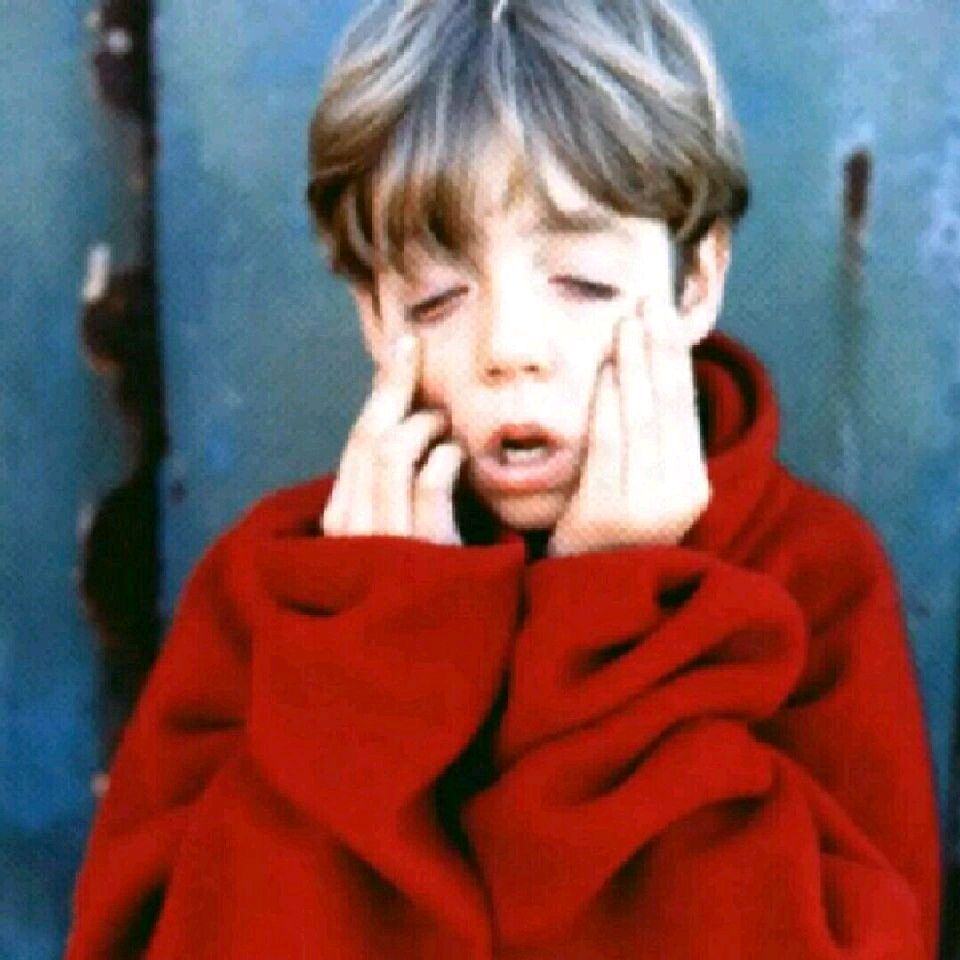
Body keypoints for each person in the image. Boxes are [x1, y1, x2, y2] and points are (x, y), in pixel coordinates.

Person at [66, 0, 943, 957]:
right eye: (438, 297)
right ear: (375, 316)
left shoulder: (810, 578)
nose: (509, 348)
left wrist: (622, 615)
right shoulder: (271, 597)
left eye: (584, 284)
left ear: (695, 282)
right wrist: (367, 664)